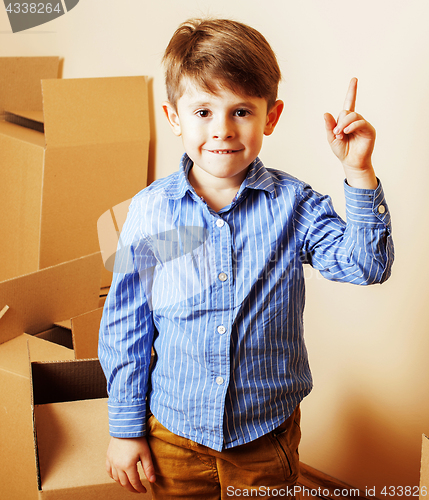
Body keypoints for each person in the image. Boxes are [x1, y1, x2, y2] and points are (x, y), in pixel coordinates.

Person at [98, 18, 394, 499]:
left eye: (240, 112)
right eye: (202, 112)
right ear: (174, 117)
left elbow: (367, 266)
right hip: (174, 433)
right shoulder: (154, 214)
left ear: (270, 117)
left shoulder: (291, 206)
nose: (221, 131)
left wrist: (357, 171)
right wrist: (125, 428)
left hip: (263, 436)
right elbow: (128, 321)